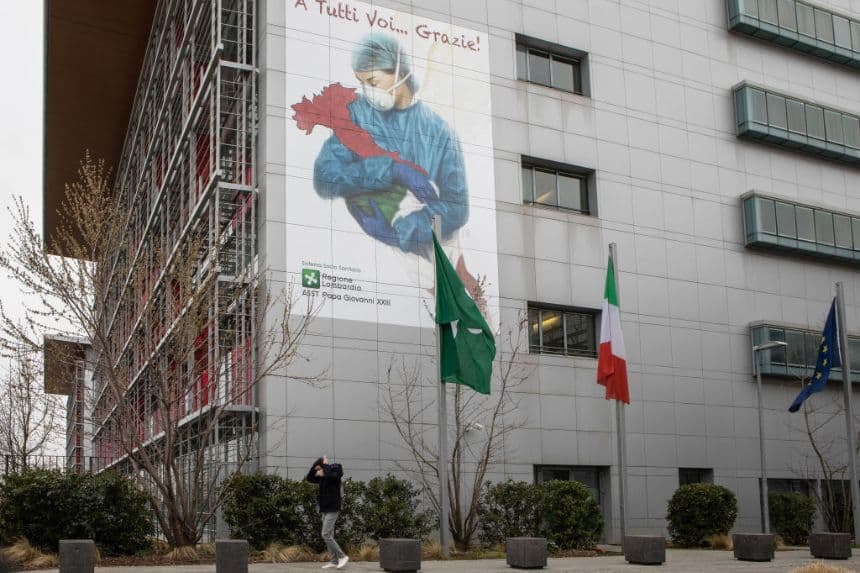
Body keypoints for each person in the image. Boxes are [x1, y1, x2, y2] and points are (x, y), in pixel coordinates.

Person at [313, 33, 469, 258]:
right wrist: (390, 170)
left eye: (372, 82)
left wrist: (399, 234)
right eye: (361, 83)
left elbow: (456, 207)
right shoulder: (358, 115)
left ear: (399, 71)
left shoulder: (441, 133)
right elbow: (325, 177)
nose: (368, 91)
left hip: (426, 256)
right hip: (357, 253)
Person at [306, 456, 348, 569]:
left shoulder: (335, 472)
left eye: (321, 468)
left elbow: (332, 476)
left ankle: (342, 556)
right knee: (329, 535)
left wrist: (324, 466)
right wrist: (315, 467)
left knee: (325, 534)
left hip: (333, 508)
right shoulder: (323, 477)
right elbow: (309, 478)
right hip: (325, 509)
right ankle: (334, 561)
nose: (320, 471)